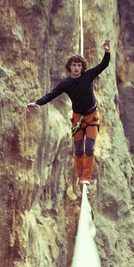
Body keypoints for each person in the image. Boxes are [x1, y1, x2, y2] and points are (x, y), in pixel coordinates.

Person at [27, 40, 111, 186]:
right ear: (69, 67)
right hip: (78, 119)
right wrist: (37, 103)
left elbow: (103, 65)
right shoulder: (66, 84)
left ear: (82, 67)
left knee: (89, 148)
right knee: (78, 150)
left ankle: (86, 177)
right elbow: (51, 94)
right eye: (74, 65)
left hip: (91, 117)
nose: (77, 68)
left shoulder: (88, 76)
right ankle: (80, 175)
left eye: (79, 65)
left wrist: (107, 52)